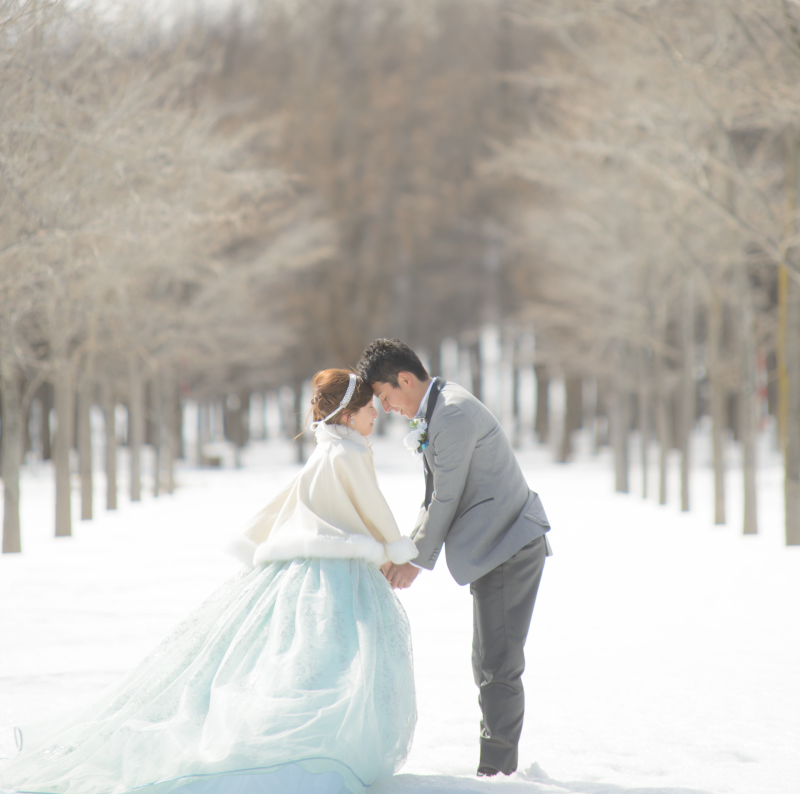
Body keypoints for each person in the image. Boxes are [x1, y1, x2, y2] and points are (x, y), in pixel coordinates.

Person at [0, 371, 416, 794]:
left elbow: (286, 503)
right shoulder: (349, 452)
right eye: (369, 409)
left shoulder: (326, 449)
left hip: (309, 564)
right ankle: (323, 748)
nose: (376, 416)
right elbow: (374, 510)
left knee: (300, 656)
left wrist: (258, 538)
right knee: (340, 660)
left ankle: (308, 743)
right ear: (347, 415)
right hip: (338, 571)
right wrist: (396, 551)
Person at [357, 339, 551, 779]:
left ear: (405, 379)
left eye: (385, 396)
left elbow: (447, 498)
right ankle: (496, 770)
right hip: (494, 545)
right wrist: (405, 550)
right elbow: (434, 497)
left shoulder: (453, 413)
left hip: (509, 544)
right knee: (486, 661)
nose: (386, 408)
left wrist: (414, 563)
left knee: (498, 665)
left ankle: (497, 774)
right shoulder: (438, 409)